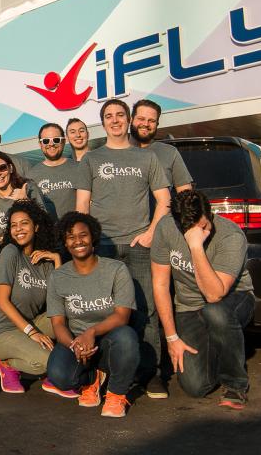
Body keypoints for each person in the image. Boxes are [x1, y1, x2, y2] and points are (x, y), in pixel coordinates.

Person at [83, 98, 170, 397]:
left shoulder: (147, 158)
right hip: (103, 248)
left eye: (120, 115)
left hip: (139, 246)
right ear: (103, 122)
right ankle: (105, 372)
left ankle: (151, 374)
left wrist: (150, 233)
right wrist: (89, 244)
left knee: (145, 311)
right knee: (103, 312)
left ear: (129, 119)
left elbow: (164, 200)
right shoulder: (91, 160)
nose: (115, 120)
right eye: (109, 116)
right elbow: (83, 207)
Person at [151, 190, 254, 410]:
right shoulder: (166, 228)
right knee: (194, 387)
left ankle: (235, 383)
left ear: (211, 214)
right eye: (192, 229)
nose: (202, 231)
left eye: (204, 225)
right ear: (178, 224)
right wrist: (172, 338)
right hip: (189, 307)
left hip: (234, 299)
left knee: (214, 312)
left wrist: (195, 246)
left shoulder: (230, 235)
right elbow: (160, 284)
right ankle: (220, 347)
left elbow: (214, 294)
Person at [44, 212, 138, 418]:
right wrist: (75, 345)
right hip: (75, 342)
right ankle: (91, 380)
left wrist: (91, 332)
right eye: (71, 237)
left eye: (83, 235)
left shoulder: (116, 269)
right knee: (59, 376)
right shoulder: (58, 277)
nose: (78, 241)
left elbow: (122, 316)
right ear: (65, 243)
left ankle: (116, 393)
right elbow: (58, 324)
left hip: (108, 340)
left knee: (127, 337)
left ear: (93, 237)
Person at [0, 201, 61, 393]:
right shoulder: (10, 253)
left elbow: (59, 301)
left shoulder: (45, 263)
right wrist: (32, 333)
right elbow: (2, 301)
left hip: (29, 324)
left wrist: (57, 260)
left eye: (24, 223)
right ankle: (5, 364)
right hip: (2, 332)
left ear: (35, 227)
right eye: (13, 225)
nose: (18, 229)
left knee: (68, 316)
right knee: (46, 362)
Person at [0, 151, 47, 240]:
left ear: (11, 168)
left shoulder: (28, 188)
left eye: (2, 168)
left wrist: (26, 201)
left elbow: (45, 222)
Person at [27, 122, 89, 221]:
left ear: (63, 141)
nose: (51, 144)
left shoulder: (80, 168)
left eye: (56, 140)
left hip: (75, 231)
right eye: (46, 141)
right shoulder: (31, 176)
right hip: (48, 234)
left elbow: (88, 203)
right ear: (40, 144)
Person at [131, 99, 193, 193]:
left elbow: (185, 193)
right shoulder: (116, 151)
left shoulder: (170, 152)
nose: (146, 124)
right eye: (141, 119)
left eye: (151, 121)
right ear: (131, 119)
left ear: (157, 124)